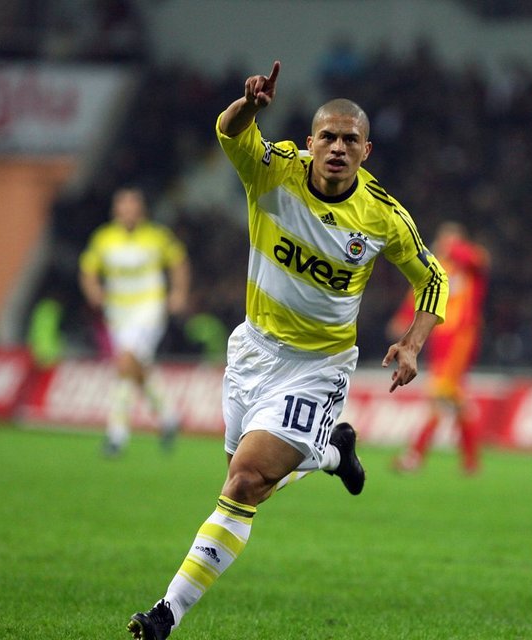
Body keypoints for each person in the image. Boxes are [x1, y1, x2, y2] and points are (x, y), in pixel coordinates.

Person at [127, 61, 448, 640]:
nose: (337, 147)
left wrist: (412, 342)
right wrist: (249, 106)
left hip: (318, 368)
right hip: (252, 351)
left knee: (244, 483)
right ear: (311, 141)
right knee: (249, 482)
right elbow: (229, 133)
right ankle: (332, 454)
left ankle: (165, 614)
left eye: (350, 140)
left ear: (366, 150)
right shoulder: (274, 170)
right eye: (328, 136)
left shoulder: (383, 216)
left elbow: (433, 279)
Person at [79, 186, 190, 455]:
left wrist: (179, 292)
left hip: (148, 309)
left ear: (141, 210)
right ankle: (168, 417)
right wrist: (93, 290)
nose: (128, 211)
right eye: (124, 206)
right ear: (116, 210)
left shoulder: (156, 236)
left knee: (126, 363)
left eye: (133, 206)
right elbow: (88, 269)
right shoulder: (104, 238)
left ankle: (117, 434)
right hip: (118, 313)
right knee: (137, 367)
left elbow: (179, 262)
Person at [390, 221, 490, 474]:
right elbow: (420, 293)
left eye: (451, 240)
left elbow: (481, 260)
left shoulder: (469, 266)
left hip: (460, 340)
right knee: (455, 399)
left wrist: (453, 247)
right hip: (439, 340)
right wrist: (404, 317)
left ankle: (415, 456)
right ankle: (471, 462)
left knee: (437, 395)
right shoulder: (437, 268)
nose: (445, 245)